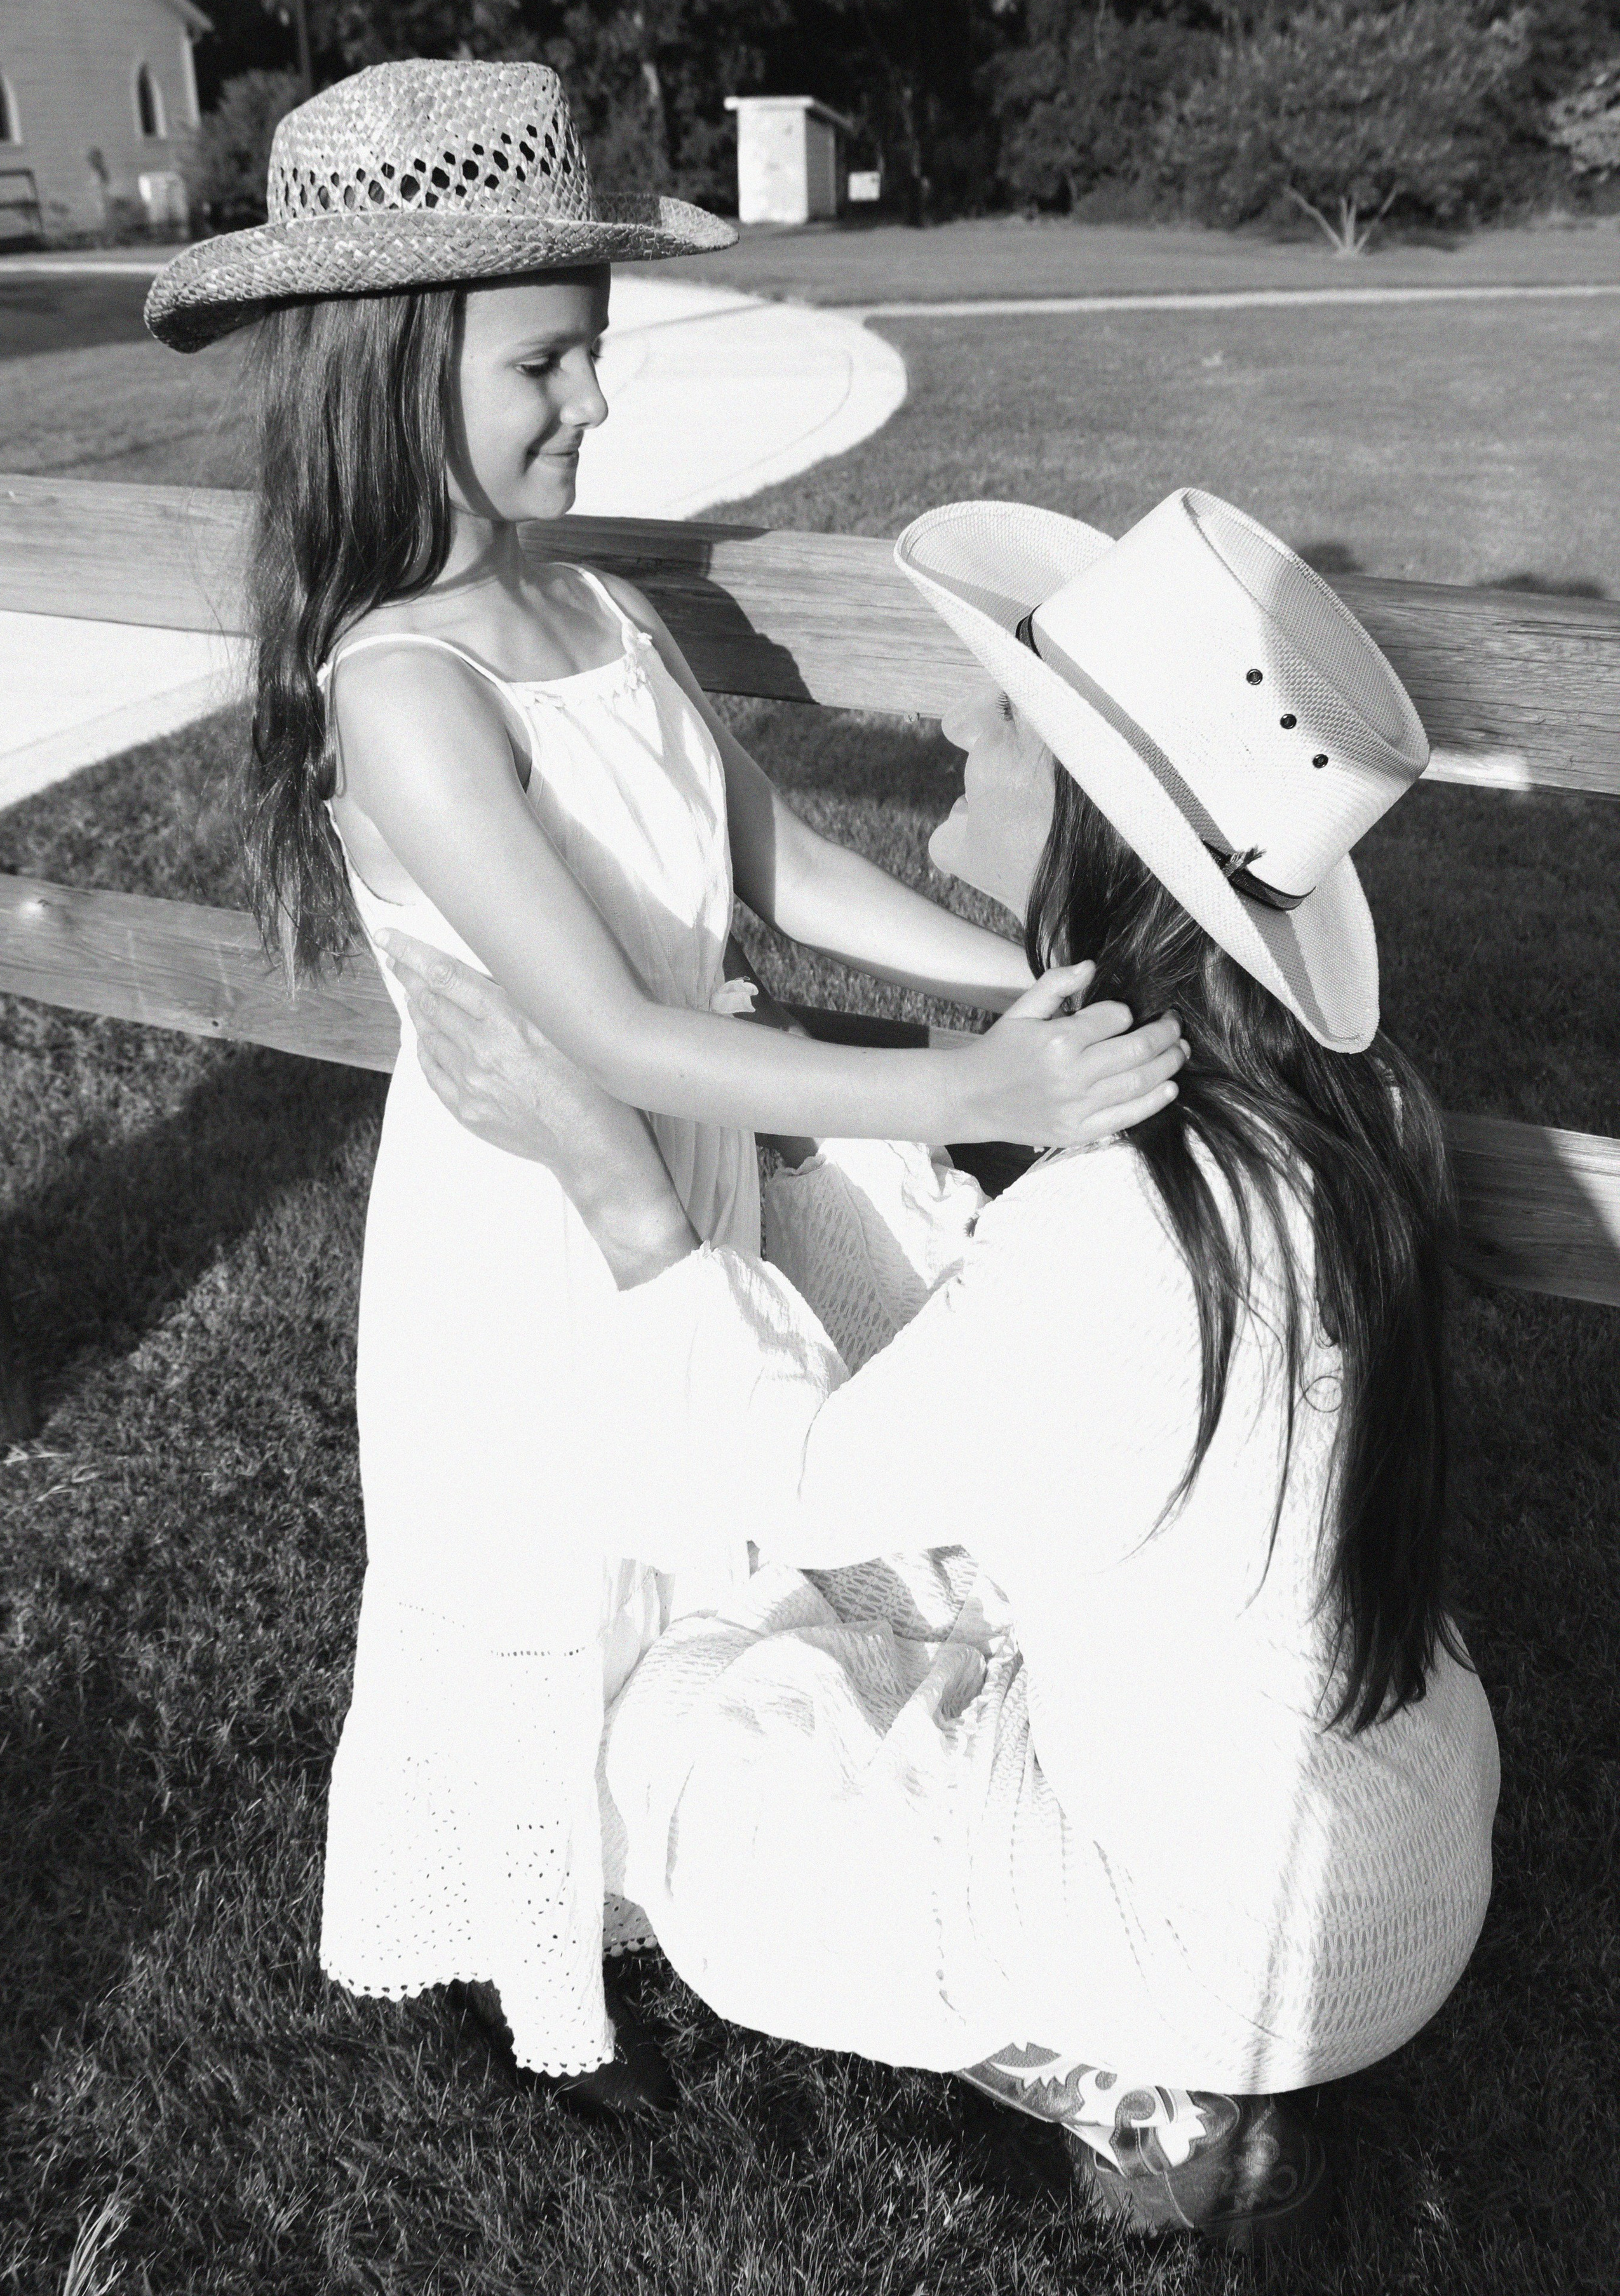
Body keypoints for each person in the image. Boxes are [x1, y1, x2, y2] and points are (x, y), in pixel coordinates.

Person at [142, 61, 1182, 2112]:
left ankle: (680, 1850)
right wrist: (986, 1086)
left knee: (694, 1521)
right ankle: (503, 1962)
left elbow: (766, 855)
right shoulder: (402, 686)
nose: (592, 409)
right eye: (549, 367)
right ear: (390, 363)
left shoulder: (590, 603)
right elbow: (608, 1032)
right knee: (543, 1555)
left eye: (594, 361)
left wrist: (1030, 973)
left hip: (677, 1150)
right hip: (540, 1201)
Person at [383, 488, 1501, 2250]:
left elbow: (791, 1481)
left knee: (669, 1739)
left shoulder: (1129, 1227)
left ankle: (1130, 2075)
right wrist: (815, 1112)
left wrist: (614, 1176)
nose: (949, 728)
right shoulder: (1319, 1124)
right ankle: (1150, 2017)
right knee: (908, 1601)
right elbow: (993, 1352)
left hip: (1249, 1942)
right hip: (1413, 1836)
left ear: (1102, 826)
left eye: (1005, 715)